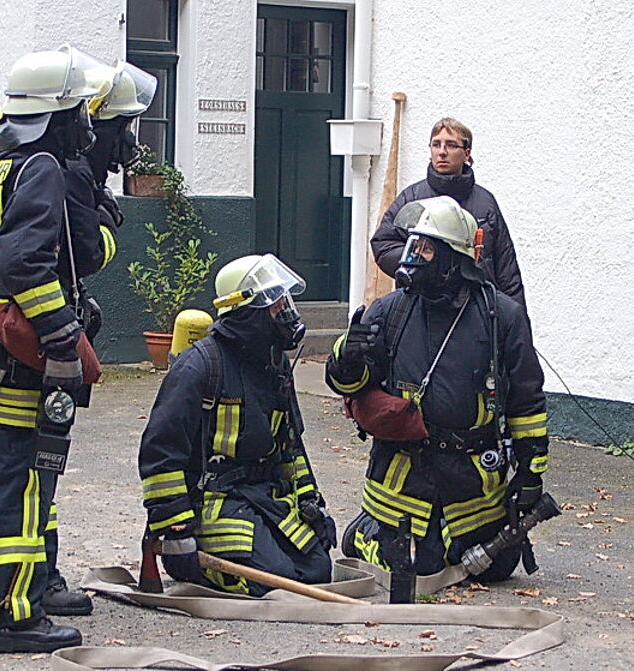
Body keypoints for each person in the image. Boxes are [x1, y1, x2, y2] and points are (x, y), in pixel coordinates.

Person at [0, 45, 113, 653]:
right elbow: (23, 264)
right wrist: (63, 335)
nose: (87, 121)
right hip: (14, 358)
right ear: (61, 112)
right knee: (17, 487)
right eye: (80, 109)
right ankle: (12, 619)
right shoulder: (41, 166)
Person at [326, 196, 548, 584]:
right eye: (413, 245)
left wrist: (531, 474)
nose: (412, 257)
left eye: (426, 249)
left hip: (472, 477)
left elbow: (526, 403)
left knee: (497, 567)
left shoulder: (501, 316)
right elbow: (353, 388)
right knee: (419, 568)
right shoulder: (389, 311)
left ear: (453, 259)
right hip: (404, 473)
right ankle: (365, 533)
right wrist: (347, 360)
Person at [137, 254, 335, 596]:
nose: (286, 312)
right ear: (248, 311)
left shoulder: (274, 364)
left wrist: (311, 503)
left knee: (317, 571)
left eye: (285, 302)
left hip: (263, 496)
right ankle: (193, 566)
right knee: (272, 584)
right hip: (212, 503)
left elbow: (290, 447)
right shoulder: (200, 366)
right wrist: (177, 530)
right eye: (275, 304)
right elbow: (159, 453)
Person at [40, 61, 157, 617]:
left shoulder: (49, 167)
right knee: (39, 462)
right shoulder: (69, 176)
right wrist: (107, 224)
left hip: (13, 335)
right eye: (124, 126)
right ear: (94, 123)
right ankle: (38, 580)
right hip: (42, 342)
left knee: (11, 467)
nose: (129, 140)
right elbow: (85, 254)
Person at [370, 118, 526, 307]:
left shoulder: (486, 203)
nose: (442, 152)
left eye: (451, 145)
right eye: (436, 144)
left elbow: (507, 270)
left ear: (467, 153)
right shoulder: (412, 198)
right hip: (422, 306)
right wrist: (423, 262)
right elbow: (383, 244)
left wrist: (516, 318)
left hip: (476, 307)